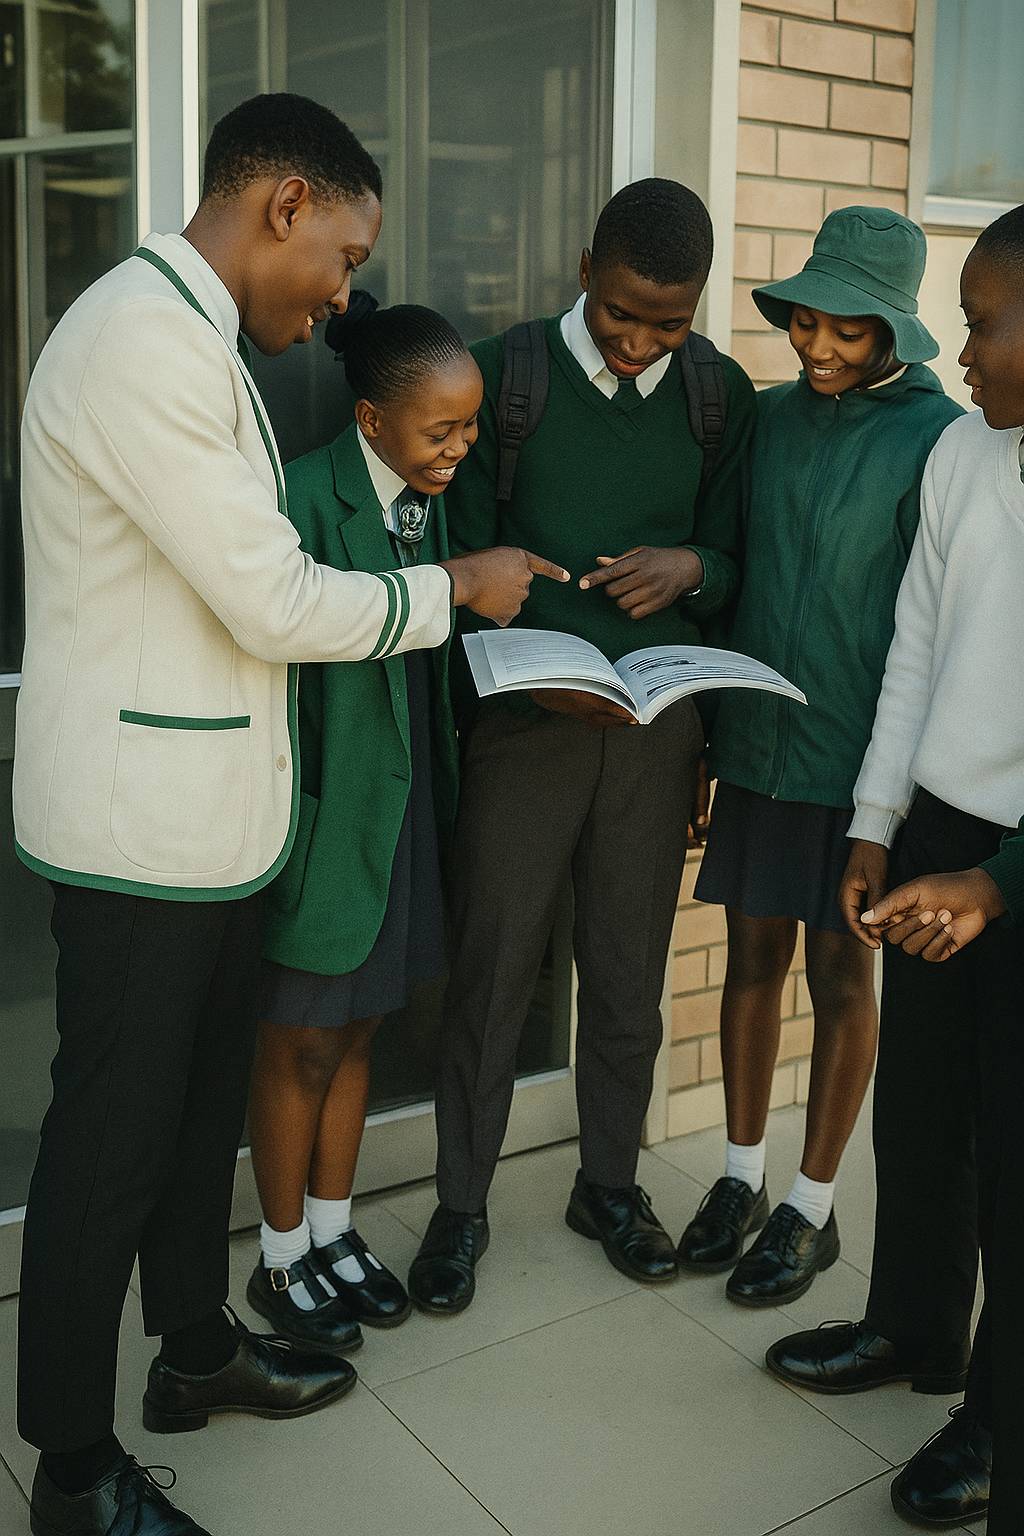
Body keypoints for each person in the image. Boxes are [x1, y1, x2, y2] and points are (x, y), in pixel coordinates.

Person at [14, 94, 563, 1536]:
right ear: (283, 206)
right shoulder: (145, 344)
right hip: (139, 838)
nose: (340, 296)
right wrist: (450, 590)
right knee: (109, 1150)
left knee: (197, 1119)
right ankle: (70, 1472)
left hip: (210, 830)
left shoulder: (201, 340)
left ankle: (194, 1350)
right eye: (343, 256)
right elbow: (267, 597)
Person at [405, 178, 757, 1316]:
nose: (641, 343)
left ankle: (607, 1184)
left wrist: (694, 567)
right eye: (620, 314)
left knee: (626, 975)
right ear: (583, 271)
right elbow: (456, 574)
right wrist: (531, 673)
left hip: (655, 737)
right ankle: (460, 1207)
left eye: (669, 323)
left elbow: (738, 564)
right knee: (494, 970)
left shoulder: (716, 396)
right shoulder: (501, 379)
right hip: (525, 733)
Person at [765, 203, 1024, 1532]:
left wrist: (1000, 884)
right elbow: (915, 644)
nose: (961, 353)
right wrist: (877, 824)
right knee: (921, 1113)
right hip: (937, 836)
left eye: (982, 325)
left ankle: (998, 1417)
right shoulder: (967, 454)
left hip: (1015, 873)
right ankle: (913, 1327)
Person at [676, 207, 964, 1306]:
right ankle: (740, 1178)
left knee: (842, 976)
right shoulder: (767, 418)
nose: (820, 347)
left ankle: (811, 1205)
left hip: (861, 768)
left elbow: (937, 629)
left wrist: (895, 793)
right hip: (757, 743)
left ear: (894, 329)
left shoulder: (938, 439)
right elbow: (733, 569)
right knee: (750, 961)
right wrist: (708, 737)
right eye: (806, 322)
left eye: (848, 329)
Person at [245, 302, 499, 1348]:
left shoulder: (430, 500)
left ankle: (334, 1230)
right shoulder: (301, 496)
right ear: (371, 420)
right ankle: (279, 1256)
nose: (460, 447)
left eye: (470, 426)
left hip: (402, 813)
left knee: (360, 1029)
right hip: (324, 814)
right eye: (441, 431)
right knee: (300, 1039)